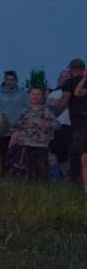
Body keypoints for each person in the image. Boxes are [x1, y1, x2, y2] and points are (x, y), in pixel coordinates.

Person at [47, 58, 87, 191]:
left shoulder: (70, 82)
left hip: (80, 124)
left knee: (76, 154)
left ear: (71, 69)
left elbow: (63, 103)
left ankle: (76, 184)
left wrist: (51, 118)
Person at [11, 86, 57, 182]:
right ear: (29, 96)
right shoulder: (24, 111)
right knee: (29, 169)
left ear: (42, 96)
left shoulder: (47, 111)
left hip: (42, 145)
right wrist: (21, 124)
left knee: (42, 169)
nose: (35, 97)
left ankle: (44, 189)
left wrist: (50, 125)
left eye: (38, 94)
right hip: (27, 143)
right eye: (33, 94)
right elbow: (14, 123)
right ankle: (30, 188)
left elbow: (58, 125)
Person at [0, 70, 26, 171]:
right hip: (3, 129)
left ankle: (16, 174)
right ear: (4, 80)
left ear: (16, 81)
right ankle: (3, 175)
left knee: (16, 154)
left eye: (12, 80)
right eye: (7, 79)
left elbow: (28, 108)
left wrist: (21, 119)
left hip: (17, 129)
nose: (10, 82)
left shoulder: (22, 94)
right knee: (3, 153)